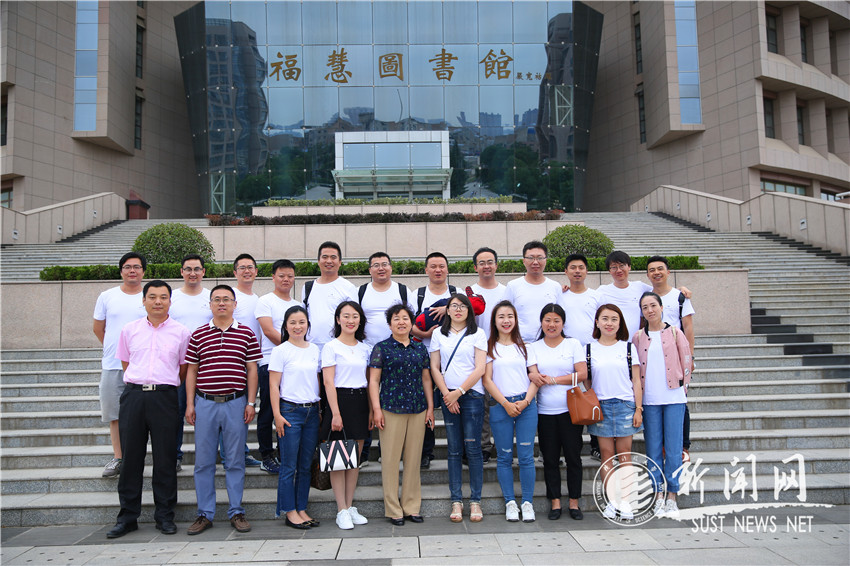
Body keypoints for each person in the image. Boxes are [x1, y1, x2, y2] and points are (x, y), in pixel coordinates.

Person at [106, 280, 190, 539]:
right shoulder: (129, 330)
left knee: (165, 459)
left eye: (163, 297)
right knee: (131, 459)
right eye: (152, 297)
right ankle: (127, 517)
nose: (157, 301)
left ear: (170, 301)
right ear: (143, 301)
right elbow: (126, 363)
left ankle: (164, 516)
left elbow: (183, 369)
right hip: (134, 396)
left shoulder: (181, 332)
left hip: (165, 397)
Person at [184, 284, 261, 535]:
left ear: (235, 304)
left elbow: (252, 370)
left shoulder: (246, 334)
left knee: (235, 460)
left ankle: (236, 511)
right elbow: (192, 370)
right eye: (216, 299)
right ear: (210, 304)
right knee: (203, 462)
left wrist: (251, 402)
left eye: (226, 299)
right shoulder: (198, 334)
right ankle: (204, 514)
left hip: (235, 403)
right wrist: (190, 403)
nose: (221, 303)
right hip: (205, 403)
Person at [369, 304, 434, 526]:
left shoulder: (419, 348)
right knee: (390, 460)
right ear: (390, 324)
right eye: (396, 318)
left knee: (413, 460)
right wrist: (376, 409)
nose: (401, 322)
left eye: (405, 318)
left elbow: (426, 379)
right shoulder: (382, 348)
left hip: (417, 409)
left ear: (411, 323)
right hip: (391, 409)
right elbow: (374, 381)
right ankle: (393, 509)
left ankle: (411, 506)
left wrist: (430, 407)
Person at [429, 293, 487, 523]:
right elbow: (435, 367)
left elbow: (480, 368)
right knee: (453, 450)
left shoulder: (477, 333)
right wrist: (447, 394)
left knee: (473, 449)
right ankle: (456, 500)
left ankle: (475, 501)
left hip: (471, 396)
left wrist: (459, 392)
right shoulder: (438, 334)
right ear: (448, 310)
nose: (458, 309)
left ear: (469, 311)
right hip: (448, 396)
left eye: (463, 306)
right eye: (454, 306)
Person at [633, 292, 691, 519]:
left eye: (653, 305)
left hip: (674, 398)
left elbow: (687, 362)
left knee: (674, 449)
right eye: (645, 307)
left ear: (661, 307)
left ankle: (672, 495)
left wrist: (683, 389)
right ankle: (658, 494)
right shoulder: (638, 337)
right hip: (650, 400)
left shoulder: (675, 332)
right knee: (653, 449)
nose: (650, 310)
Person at [527, 304, 587, 521]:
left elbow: (582, 374)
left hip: (571, 411)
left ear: (563, 323)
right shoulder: (533, 347)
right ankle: (555, 502)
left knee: (573, 458)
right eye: (547, 320)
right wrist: (538, 377)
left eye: (556, 321)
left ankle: (574, 502)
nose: (551, 325)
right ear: (541, 322)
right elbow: (534, 375)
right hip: (545, 412)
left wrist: (553, 380)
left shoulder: (573, 344)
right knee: (550, 459)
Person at [356, 252, 415, 465]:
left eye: (384, 264)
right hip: (367, 353)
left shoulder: (402, 290)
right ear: (369, 269)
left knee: (392, 401)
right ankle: (363, 452)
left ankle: (387, 450)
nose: (381, 268)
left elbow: (411, 320)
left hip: (396, 354)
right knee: (368, 401)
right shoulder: (361, 291)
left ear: (391, 267)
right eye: (376, 265)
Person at [482, 300, 538, 523]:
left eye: (510, 316)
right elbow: (487, 380)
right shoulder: (489, 348)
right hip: (500, 406)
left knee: (526, 457)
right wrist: (505, 403)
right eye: (501, 317)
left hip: (526, 406)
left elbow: (534, 378)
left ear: (515, 320)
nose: (506, 321)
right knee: (504, 456)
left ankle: (528, 502)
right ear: (494, 321)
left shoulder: (526, 347)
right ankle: (510, 503)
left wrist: (525, 401)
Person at [586, 304, 643, 521]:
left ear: (620, 324)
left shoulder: (628, 348)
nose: (609, 323)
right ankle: (611, 501)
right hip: (601, 407)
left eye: (614, 319)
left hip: (625, 405)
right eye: (605, 319)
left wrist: (638, 409)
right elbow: (587, 380)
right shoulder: (589, 349)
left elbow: (636, 380)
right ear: (597, 322)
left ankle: (626, 502)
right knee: (606, 454)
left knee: (625, 454)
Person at [93, 252, 147, 478]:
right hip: (113, 365)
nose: (132, 270)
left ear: (143, 271)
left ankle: (139, 457)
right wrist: (116, 350)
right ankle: (118, 457)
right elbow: (98, 328)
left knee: (144, 415)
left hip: (143, 366)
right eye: (127, 267)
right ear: (121, 270)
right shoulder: (107, 296)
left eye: (136, 267)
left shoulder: (149, 296)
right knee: (114, 414)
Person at [321, 301, 372, 530]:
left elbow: (370, 381)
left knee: (354, 461)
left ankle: (350, 506)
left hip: (360, 402)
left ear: (360, 320)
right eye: (346, 316)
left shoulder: (365, 348)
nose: (350, 320)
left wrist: (371, 409)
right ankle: (341, 509)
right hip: (339, 402)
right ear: (338, 319)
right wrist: (335, 413)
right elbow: (328, 382)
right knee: (338, 460)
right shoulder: (331, 347)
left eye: (355, 316)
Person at [269, 306, 321, 530]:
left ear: (308, 324)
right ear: (285, 325)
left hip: (312, 412)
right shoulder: (281, 351)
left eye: (302, 322)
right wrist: (277, 415)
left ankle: (301, 508)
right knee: (289, 465)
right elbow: (273, 385)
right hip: (290, 412)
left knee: (305, 465)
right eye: (293, 322)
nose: (298, 326)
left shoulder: (315, 349)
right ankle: (289, 511)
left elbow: (317, 380)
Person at [645, 255, 696, 463]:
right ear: (647, 275)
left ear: (668, 272)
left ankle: (683, 446)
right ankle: (663, 446)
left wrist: (689, 358)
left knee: (679, 400)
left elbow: (688, 327)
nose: (656, 273)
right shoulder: (646, 295)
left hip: (676, 357)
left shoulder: (680, 297)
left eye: (660, 269)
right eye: (652, 270)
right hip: (655, 357)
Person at [255, 259, 302, 474]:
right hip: (270, 363)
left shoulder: (298, 305)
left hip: (294, 366)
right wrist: (292, 348)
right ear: (273, 277)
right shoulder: (265, 301)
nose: (286, 279)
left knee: (288, 410)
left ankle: (285, 453)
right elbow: (268, 331)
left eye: (290, 276)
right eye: (281, 276)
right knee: (267, 411)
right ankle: (266, 455)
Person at [169, 254, 212, 472]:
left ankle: (207, 457)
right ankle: (175, 456)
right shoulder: (172, 297)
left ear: (203, 272)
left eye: (197, 269)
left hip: (206, 366)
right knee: (176, 412)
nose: (192, 273)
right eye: (188, 269)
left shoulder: (211, 297)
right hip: (178, 365)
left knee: (206, 414)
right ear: (181, 272)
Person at [557, 253, 602, 461]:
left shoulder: (596, 296)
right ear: (566, 271)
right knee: (570, 398)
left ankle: (596, 443)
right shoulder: (560, 296)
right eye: (573, 267)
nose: (577, 271)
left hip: (593, 353)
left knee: (594, 396)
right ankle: (565, 445)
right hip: (567, 354)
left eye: (581, 267)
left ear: (586, 271)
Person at [414, 251, 457, 469]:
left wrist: (447, 308)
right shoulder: (418, 294)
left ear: (447, 269)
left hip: (453, 359)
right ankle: (425, 452)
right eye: (433, 266)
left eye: (441, 266)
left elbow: (469, 318)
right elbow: (407, 324)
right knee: (425, 405)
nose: (438, 270)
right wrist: (425, 334)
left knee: (457, 402)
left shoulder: (456, 293)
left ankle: (460, 450)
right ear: (426, 270)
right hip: (424, 358)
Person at [470, 246, 506, 463]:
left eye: (490, 262)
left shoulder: (506, 291)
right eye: (482, 263)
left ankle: (502, 445)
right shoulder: (468, 292)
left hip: (503, 350)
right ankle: (484, 445)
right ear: (475, 267)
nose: (486, 266)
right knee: (482, 402)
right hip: (478, 353)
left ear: (496, 265)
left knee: (502, 399)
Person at [230, 253, 263, 469]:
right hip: (233, 361)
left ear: (256, 272)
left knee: (243, 409)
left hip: (252, 362)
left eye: (250, 267)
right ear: (235, 272)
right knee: (231, 411)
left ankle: (239, 452)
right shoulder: (231, 297)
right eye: (242, 268)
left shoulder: (259, 300)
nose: (246, 271)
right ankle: (232, 454)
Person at [301, 241, 357, 352]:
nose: (329, 261)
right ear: (318, 261)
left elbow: (354, 319)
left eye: (333, 257)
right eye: (325, 257)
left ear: (340, 262)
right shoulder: (308, 287)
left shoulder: (348, 288)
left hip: (339, 348)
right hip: (311, 348)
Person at [503, 241, 563, 343]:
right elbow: (505, 314)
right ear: (524, 261)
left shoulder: (555, 286)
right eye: (531, 258)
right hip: (520, 343)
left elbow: (561, 317)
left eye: (540, 258)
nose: (535, 262)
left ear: (546, 260)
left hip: (548, 343)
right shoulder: (513, 286)